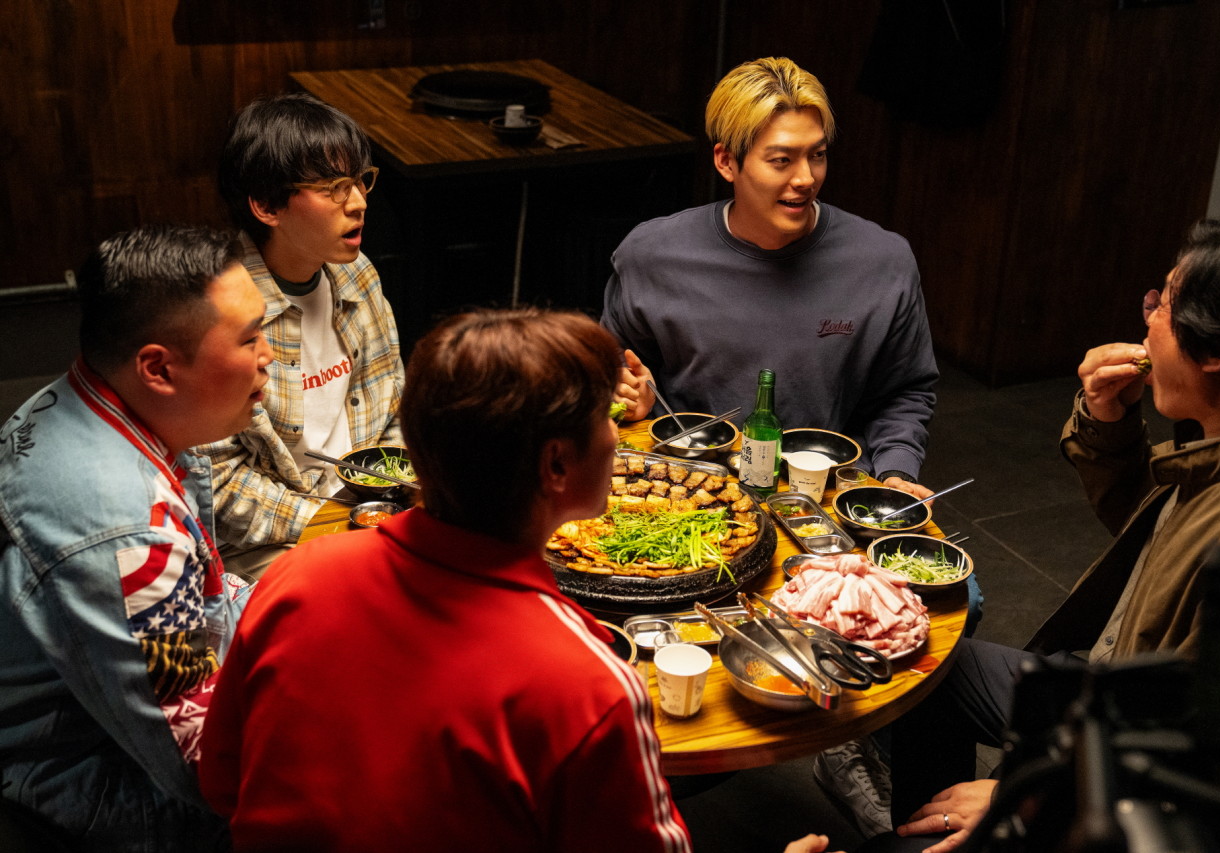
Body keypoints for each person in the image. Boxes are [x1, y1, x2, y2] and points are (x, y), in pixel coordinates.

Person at [198, 307, 843, 853]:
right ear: (556, 465)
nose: (618, 435)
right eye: (606, 417)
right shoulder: (585, 683)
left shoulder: (296, 577)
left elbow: (222, 782)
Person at [870, 218, 1220, 853]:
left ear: (1216, 353)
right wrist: (1108, 421)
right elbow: (1158, 540)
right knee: (929, 671)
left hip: (1138, 782)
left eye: (1164, 304)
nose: (1148, 321)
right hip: (1110, 688)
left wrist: (1027, 798)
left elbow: (1217, 770)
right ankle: (937, 827)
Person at [0, 224, 269, 851]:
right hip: (77, 772)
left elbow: (204, 602)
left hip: (105, 716)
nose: (269, 356)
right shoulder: (127, 532)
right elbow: (204, 765)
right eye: (250, 337)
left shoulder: (90, 400)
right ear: (158, 367)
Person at [604, 56, 938, 500]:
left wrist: (896, 467)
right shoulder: (652, 255)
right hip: (687, 487)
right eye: (782, 160)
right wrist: (630, 400)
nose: (806, 178)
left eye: (817, 155)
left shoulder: (882, 261)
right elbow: (613, 371)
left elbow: (904, 390)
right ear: (727, 161)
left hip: (821, 497)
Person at [195, 92, 404, 581]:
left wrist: (393, 500)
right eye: (334, 188)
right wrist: (339, 524)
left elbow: (394, 405)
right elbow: (220, 485)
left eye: (361, 181)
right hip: (271, 539)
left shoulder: (357, 274)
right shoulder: (218, 311)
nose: (359, 202)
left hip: (367, 508)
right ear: (267, 205)